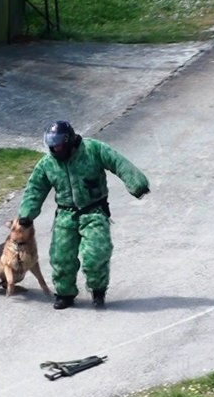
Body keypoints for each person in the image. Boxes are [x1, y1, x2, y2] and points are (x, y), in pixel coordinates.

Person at [19, 120, 150, 310]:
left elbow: (118, 162)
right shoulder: (48, 163)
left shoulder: (93, 149)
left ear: (69, 140)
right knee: (61, 257)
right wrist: (26, 215)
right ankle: (64, 293)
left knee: (96, 253)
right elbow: (35, 188)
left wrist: (136, 183)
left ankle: (98, 292)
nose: (55, 148)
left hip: (94, 211)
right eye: (52, 144)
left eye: (58, 143)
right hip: (65, 214)